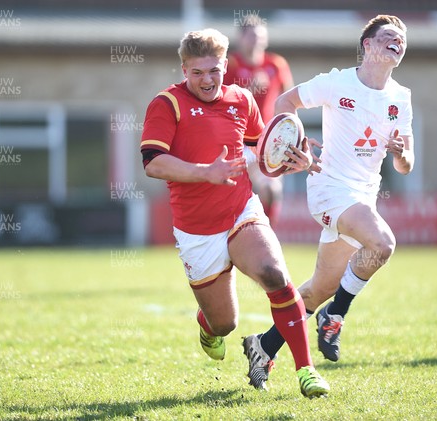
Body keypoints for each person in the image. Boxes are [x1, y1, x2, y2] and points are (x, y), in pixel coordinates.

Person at [139, 28, 329, 398]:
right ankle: (207, 325)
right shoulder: (167, 104)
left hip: (241, 210)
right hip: (196, 230)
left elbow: (264, 148)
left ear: (226, 65)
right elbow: (152, 163)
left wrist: (296, 158)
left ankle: (306, 370)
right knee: (225, 323)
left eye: (213, 71)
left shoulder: (241, 99)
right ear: (184, 69)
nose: (207, 80)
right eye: (197, 73)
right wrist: (204, 173)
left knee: (275, 274)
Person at [242, 15, 415, 387]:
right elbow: (286, 100)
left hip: (363, 196)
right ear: (367, 45)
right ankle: (336, 315)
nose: (397, 42)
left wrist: (401, 154)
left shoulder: (401, 98)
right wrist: (294, 147)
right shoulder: (336, 82)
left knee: (317, 289)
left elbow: (405, 165)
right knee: (383, 245)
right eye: (388, 36)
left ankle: (263, 345)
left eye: (401, 39)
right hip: (329, 189)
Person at [223, 22, 294, 229]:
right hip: (236, 140)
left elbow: (287, 99)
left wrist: (289, 131)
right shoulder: (230, 65)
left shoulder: (276, 64)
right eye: (251, 36)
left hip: (266, 139)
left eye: (260, 36)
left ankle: (266, 234)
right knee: (232, 195)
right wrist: (245, 89)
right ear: (240, 39)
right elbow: (219, 100)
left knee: (272, 191)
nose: (256, 41)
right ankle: (232, 237)